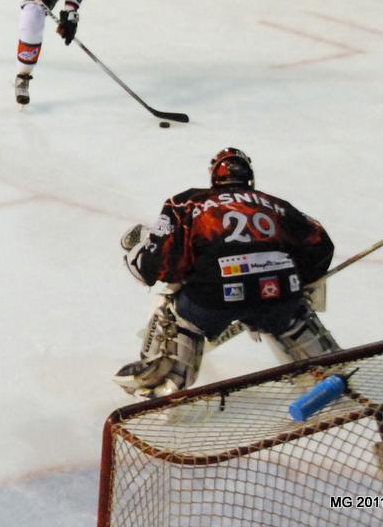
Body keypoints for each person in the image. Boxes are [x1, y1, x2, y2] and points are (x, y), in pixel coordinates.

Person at [114, 148, 340, 399]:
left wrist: (139, 255)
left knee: (174, 310)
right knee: (292, 311)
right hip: (277, 291)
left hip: (214, 296)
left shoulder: (186, 203)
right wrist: (296, 281)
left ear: (214, 177)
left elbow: (156, 265)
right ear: (249, 177)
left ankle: (165, 385)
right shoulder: (277, 206)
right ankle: (327, 372)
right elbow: (320, 245)